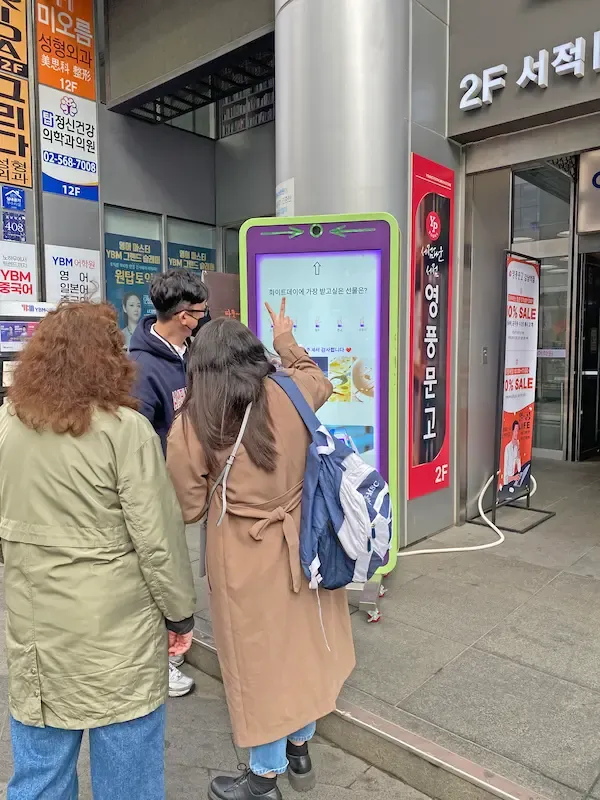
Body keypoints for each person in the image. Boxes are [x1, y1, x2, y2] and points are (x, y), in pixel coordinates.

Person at [0, 302, 196, 800]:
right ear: (110, 359)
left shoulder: (7, 422)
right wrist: (180, 616)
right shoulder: (123, 431)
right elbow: (158, 538)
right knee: (128, 780)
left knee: (39, 775)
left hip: (36, 631)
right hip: (117, 637)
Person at [167, 299, 355, 800]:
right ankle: (299, 745)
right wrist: (286, 338)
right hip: (304, 538)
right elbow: (318, 375)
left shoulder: (193, 421)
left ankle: (263, 776)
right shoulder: (291, 393)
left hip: (243, 552)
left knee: (258, 662)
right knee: (301, 648)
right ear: (253, 353)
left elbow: (186, 505)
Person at [129, 268, 209, 698]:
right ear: (183, 315)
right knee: (161, 571)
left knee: (174, 567)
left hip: (184, 481)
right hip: (159, 488)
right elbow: (136, 443)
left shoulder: (188, 350)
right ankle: (164, 660)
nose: (203, 318)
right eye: (200, 312)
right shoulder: (142, 368)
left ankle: (171, 648)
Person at [503, 420, 522, 485]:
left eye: (518, 430)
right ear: (512, 431)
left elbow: (519, 467)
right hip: (509, 481)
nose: (517, 433)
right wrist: (513, 478)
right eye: (516, 430)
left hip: (515, 477)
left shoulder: (517, 444)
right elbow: (505, 474)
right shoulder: (507, 448)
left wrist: (518, 448)